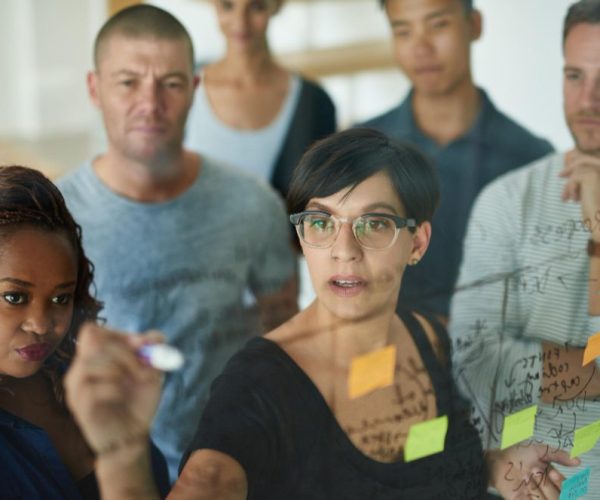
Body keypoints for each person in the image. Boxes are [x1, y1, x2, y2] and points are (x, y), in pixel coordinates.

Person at [65, 129, 579, 499]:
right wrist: (123, 459)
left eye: (373, 224)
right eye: (321, 223)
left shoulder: (429, 339)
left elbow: (429, 459)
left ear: (417, 242)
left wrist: (496, 467)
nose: (343, 250)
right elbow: (208, 483)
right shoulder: (259, 382)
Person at [57, 4, 297, 482]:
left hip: (239, 466)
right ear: (94, 89)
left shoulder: (251, 203)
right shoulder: (56, 218)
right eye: (128, 82)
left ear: (194, 89)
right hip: (102, 471)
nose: (150, 103)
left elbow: (286, 330)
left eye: (169, 82)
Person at [450, 0, 600, 496]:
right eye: (574, 75)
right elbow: (475, 359)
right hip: (534, 487)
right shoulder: (507, 201)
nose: (589, 99)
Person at [360, 0, 554, 321]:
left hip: (496, 364)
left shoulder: (531, 160)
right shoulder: (360, 150)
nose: (421, 48)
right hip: (382, 360)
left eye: (438, 25)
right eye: (403, 31)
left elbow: (545, 297)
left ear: (474, 25)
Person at [0, 165, 170, 499]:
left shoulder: (92, 388)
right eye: (14, 297)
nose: (41, 324)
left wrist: (126, 449)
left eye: (60, 298)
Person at [184, 0, 336, 200]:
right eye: (227, 6)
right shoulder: (182, 89)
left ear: (278, 5)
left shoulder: (315, 104)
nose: (240, 23)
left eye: (257, 7)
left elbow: (323, 203)